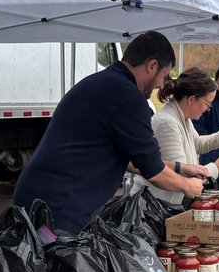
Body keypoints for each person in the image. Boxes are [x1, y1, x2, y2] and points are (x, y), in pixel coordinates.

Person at [13, 31, 205, 233]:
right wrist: (186, 186)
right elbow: (154, 171)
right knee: (52, 254)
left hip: (41, 196)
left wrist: (180, 168)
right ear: (152, 66)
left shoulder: (106, 82)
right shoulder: (127, 96)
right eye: (164, 77)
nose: (161, 85)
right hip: (56, 207)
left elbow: (133, 160)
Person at [146, 68, 219, 206]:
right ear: (191, 99)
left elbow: (197, 144)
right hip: (156, 206)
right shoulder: (168, 123)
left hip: (167, 203)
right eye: (207, 104)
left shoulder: (182, 117)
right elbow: (180, 177)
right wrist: (216, 167)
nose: (207, 109)